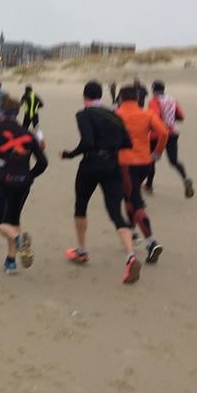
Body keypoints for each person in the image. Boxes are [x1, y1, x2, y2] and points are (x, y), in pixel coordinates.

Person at [60, 81, 141, 284]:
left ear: (85, 95)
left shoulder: (83, 114)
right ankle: (130, 256)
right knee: (115, 212)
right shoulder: (114, 115)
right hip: (113, 165)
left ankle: (82, 250)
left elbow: (87, 142)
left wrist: (70, 154)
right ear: (100, 95)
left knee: (81, 205)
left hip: (91, 164)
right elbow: (127, 142)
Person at [0, 96, 48, 274]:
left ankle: (19, 241)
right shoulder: (27, 133)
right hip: (23, 182)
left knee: (1, 224)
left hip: (2, 179)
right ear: (17, 112)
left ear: (1, 111)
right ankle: (10, 262)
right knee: (13, 220)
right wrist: (30, 175)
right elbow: (43, 162)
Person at [115, 86, 168, 264]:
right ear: (137, 98)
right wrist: (157, 153)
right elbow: (163, 132)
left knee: (135, 201)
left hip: (125, 164)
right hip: (145, 162)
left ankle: (151, 242)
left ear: (120, 98)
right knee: (130, 198)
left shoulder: (116, 115)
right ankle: (132, 232)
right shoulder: (147, 114)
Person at [144, 81, 194, 198]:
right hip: (172, 133)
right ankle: (185, 178)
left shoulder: (154, 101)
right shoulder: (172, 100)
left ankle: (149, 185)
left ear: (153, 90)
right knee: (174, 161)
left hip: (157, 135)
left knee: (151, 160)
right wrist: (170, 119)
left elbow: (154, 116)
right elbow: (181, 116)